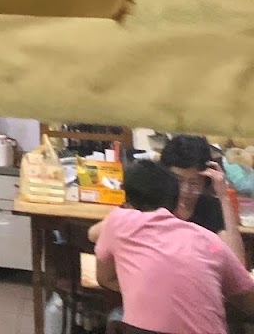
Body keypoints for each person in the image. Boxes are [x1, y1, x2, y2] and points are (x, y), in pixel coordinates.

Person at [94, 159, 254, 334]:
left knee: (116, 318)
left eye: (194, 183)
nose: (188, 190)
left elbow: (104, 277)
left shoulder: (118, 222)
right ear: (178, 202)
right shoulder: (210, 242)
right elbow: (247, 297)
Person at [89, 135, 246, 266]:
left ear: (206, 180)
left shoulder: (210, 207)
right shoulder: (150, 200)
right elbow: (95, 234)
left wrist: (224, 196)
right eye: (178, 180)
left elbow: (237, 263)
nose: (185, 190)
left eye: (194, 183)